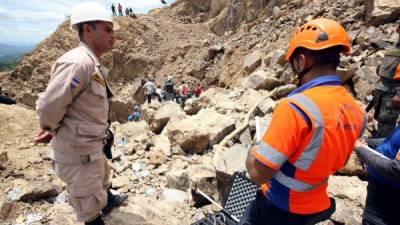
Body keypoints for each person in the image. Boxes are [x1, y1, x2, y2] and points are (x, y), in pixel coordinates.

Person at [241, 18, 365, 225]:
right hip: (316, 204)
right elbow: (337, 159)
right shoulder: (356, 111)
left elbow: (257, 174)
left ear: (302, 60)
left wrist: (253, 151)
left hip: (280, 208)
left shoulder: (295, 107)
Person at [34, 2, 127, 225]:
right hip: (78, 153)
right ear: (87, 30)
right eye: (107, 29)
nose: (113, 36)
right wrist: (50, 128)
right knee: (88, 205)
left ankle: (108, 201)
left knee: (101, 179)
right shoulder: (77, 63)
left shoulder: (90, 62)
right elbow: (49, 106)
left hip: (91, 146)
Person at [354, 126, 400, 225]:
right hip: (379, 194)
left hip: (387, 202)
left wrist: (360, 150)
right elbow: (392, 143)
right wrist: (367, 142)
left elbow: (395, 170)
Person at [370, 24, 400, 138]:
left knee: (387, 122)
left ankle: (383, 147)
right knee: (381, 118)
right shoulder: (395, 47)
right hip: (383, 89)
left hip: (393, 92)